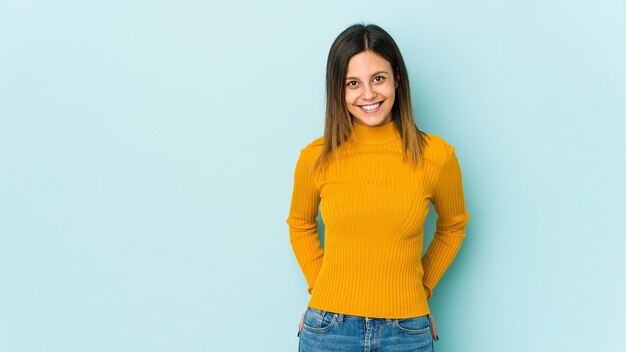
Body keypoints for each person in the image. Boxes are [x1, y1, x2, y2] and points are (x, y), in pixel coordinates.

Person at [286, 23, 470, 352]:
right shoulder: (316, 157)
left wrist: (421, 287)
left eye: (378, 78)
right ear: (338, 90)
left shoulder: (436, 157)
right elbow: (300, 224)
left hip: (407, 331)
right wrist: (320, 290)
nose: (368, 94)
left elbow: (454, 225)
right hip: (329, 330)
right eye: (352, 83)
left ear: (397, 78)